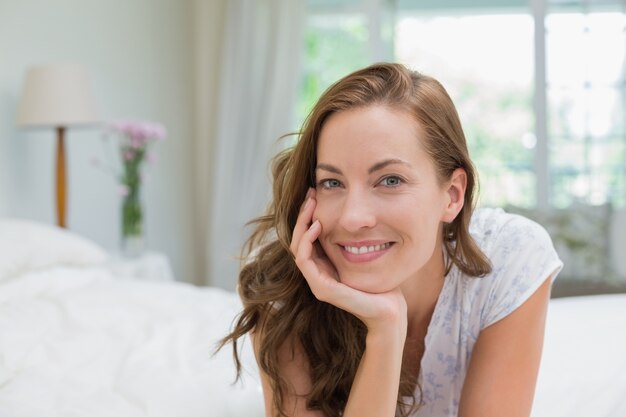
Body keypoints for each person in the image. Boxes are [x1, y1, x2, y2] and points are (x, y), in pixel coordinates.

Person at [220, 62, 563, 417]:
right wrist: (385, 330)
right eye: (332, 183)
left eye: (390, 180)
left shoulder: (510, 259)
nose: (353, 218)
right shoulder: (281, 291)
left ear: (452, 195)